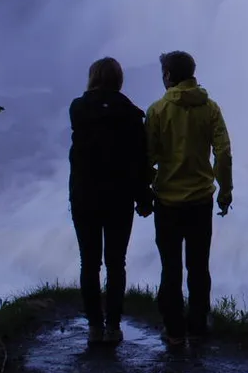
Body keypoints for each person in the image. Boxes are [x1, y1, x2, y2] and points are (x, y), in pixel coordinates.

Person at [145, 50, 232, 346]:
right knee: (198, 264)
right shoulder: (210, 109)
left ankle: (173, 330)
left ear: (169, 75)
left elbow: (148, 156)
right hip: (200, 200)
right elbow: (223, 152)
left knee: (170, 266)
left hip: (168, 201)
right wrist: (225, 191)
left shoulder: (157, 111)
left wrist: (145, 190)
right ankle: (198, 324)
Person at [69, 57, 153, 346]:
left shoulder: (78, 109)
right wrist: (144, 199)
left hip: (85, 196)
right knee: (116, 263)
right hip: (119, 198)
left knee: (89, 263)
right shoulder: (132, 115)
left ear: (92, 78)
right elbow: (139, 161)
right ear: (119, 80)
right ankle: (114, 326)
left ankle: (94, 326)